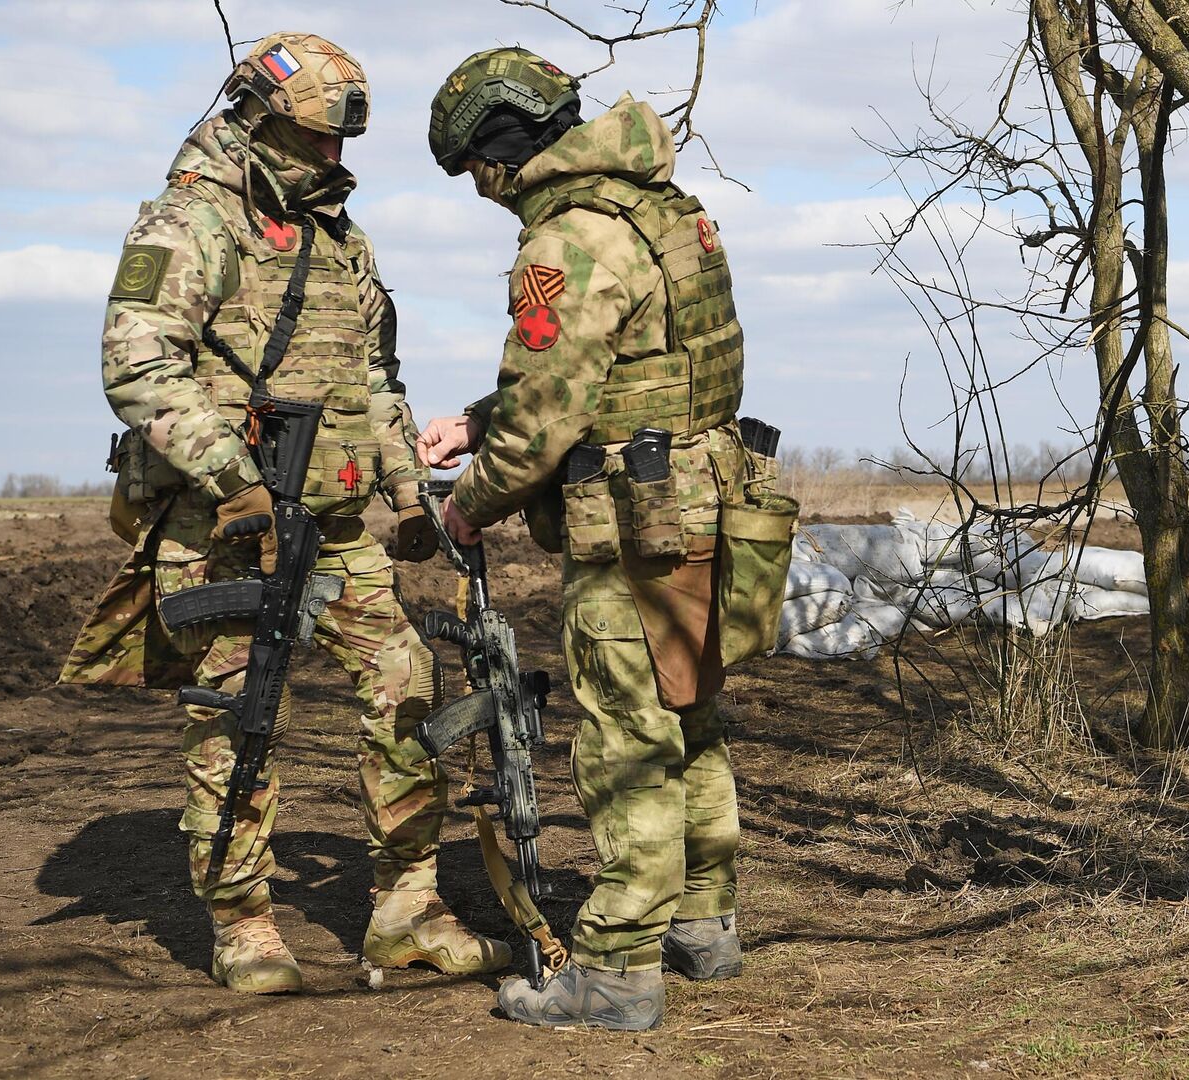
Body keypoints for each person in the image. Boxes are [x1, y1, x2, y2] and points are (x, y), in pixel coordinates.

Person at [61, 32, 509, 994]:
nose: (337, 161)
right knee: (239, 713)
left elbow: (374, 381)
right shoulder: (191, 224)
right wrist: (234, 476)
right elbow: (135, 363)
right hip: (228, 521)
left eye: (344, 144)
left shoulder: (341, 239)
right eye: (319, 140)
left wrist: (404, 493)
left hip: (340, 524)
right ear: (260, 122)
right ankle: (243, 920)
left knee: (408, 684)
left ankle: (408, 908)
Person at [418, 47, 756, 1031]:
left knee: (626, 743)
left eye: (474, 174)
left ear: (496, 154)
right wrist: (481, 419)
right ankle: (704, 922)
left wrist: (467, 500)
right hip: (708, 495)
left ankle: (614, 969)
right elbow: (638, 364)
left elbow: (546, 420)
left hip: (630, 524)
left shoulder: (564, 240)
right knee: (690, 717)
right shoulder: (664, 208)